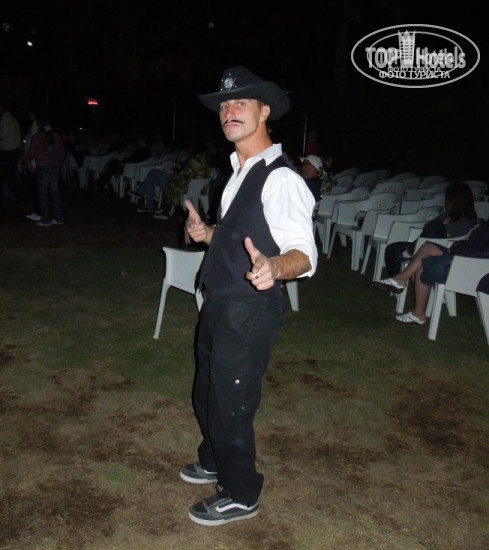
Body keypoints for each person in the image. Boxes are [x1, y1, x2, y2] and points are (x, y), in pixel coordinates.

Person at [182, 66, 317, 526]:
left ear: (264, 112)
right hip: (220, 301)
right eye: (224, 105)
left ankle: (241, 493)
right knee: (207, 389)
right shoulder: (239, 171)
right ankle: (214, 460)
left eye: (241, 103)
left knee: (231, 403)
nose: (229, 111)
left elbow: (304, 253)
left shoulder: (282, 179)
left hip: (250, 310)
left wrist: (275, 267)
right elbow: (244, 233)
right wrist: (209, 233)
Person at [372, 219, 489, 325]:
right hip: (467, 259)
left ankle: (414, 304)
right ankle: (402, 282)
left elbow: (480, 251)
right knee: (427, 248)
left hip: (471, 267)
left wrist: (456, 246)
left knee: (424, 261)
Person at [383, 182, 477, 278]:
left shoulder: (465, 220)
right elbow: (429, 228)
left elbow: (447, 236)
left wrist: (442, 224)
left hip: (440, 249)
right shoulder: (449, 214)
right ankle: (395, 280)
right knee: (392, 248)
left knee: (436, 225)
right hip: (424, 243)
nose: (445, 202)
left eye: (447, 199)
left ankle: (412, 250)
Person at [23, 121, 66, 227]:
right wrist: (58, 162)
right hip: (55, 167)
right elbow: (62, 153)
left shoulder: (37, 137)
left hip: (43, 167)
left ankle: (46, 219)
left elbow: (31, 152)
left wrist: (26, 164)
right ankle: (59, 218)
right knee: (55, 193)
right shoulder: (56, 136)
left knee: (43, 194)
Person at [0, 101, 22, 208]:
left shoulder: (5, 120)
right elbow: (18, 136)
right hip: (14, 151)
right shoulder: (14, 120)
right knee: (11, 176)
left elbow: (3, 136)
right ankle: (17, 197)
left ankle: (15, 197)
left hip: (7, 152)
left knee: (7, 176)